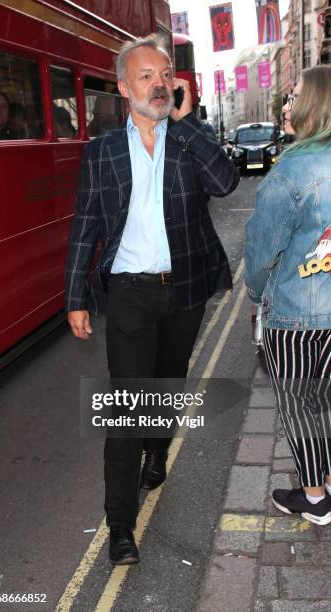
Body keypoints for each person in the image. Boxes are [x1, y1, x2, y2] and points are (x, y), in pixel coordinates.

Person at [66, 35, 239, 565]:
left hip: (184, 288)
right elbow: (86, 225)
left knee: (167, 387)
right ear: (123, 88)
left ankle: (159, 448)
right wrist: (75, 295)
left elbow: (227, 181)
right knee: (125, 413)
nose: (159, 83)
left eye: (165, 74)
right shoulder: (101, 151)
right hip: (129, 296)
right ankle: (121, 523)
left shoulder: (188, 138)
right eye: (146, 76)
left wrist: (187, 125)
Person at [245, 65, 331, 526]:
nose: (286, 105)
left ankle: (315, 496)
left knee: (301, 403)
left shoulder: (291, 171)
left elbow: (260, 252)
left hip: (296, 318)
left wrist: (257, 295)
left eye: (294, 96)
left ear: (314, 105)